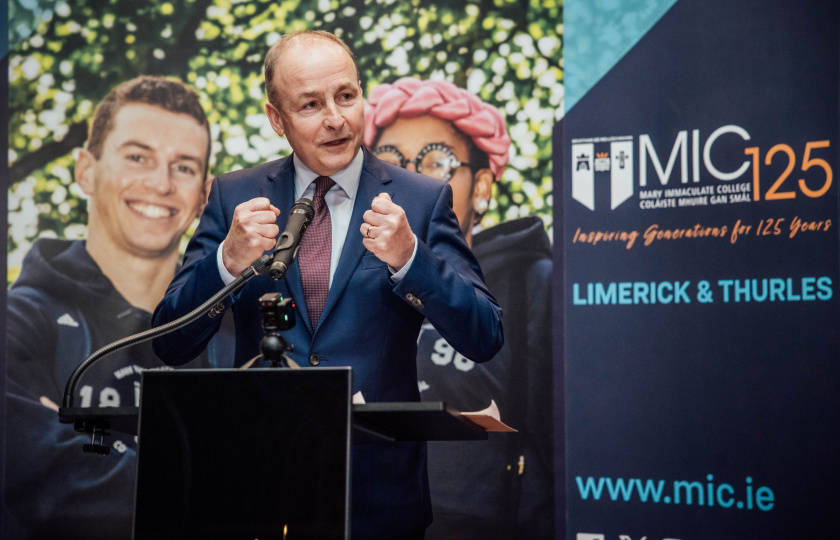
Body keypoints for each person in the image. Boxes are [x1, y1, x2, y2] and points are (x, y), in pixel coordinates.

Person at [152, 31, 504, 539]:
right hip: (256, 494)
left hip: (378, 497)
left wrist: (411, 258)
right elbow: (170, 340)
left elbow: (485, 334)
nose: (336, 118)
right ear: (277, 118)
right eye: (311, 105)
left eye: (346, 96)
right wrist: (226, 262)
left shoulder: (421, 200)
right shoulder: (234, 197)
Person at [4, 76, 224, 540]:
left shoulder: (229, 330)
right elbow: (20, 471)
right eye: (137, 157)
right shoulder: (19, 321)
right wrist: (209, 481)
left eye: (183, 167)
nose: (160, 183)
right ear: (86, 169)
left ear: (204, 195)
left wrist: (79, 448)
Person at [364, 77, 554, 539]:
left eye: (436, 162)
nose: (412, 181)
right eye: (389, 164)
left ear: (483, 186)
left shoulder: (534, 285)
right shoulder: (337, 285)